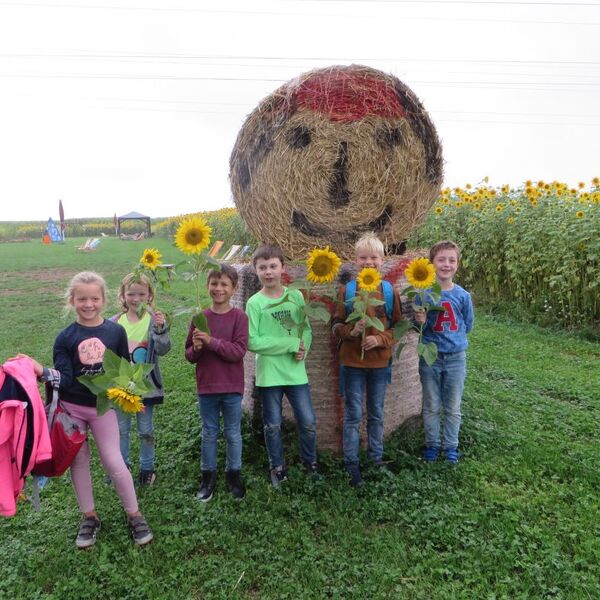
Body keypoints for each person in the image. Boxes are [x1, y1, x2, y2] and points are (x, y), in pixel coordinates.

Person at [26, 272, 153, 548]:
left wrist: (131, 391)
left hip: (103, 408)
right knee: (79, 460)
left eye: (94, 298)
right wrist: (43, 372)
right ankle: (89, 516)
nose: (88, 304)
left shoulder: (114, 332)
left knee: (113, 459)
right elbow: (66, 377)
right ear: (72, 300)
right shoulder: (65, 338)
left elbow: (122, 368)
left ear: (104, 300)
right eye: (82, 298)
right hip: (72, 410)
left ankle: (134, 514)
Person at [331, 232, 402, 487]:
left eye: (374, 257)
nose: (368, 262)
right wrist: (352, 332)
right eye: (363, 258)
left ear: (383, 260)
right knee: (352, 414)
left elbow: (399, 327)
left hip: (379, 365)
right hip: (352, 364)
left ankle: (376, 458)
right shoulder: (347, 291)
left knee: (376, 413)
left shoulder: (388, 291)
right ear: (355, 261)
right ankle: (351, 462)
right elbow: (335, 325)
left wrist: (379, 339)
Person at [245, 244, 318, 487]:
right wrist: (289, 344)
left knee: (307, 421)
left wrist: (303, 348)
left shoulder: (295, 296)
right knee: (273, 424)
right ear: (255, 270)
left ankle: (310, 463)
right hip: (269, 375)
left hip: (296, 372)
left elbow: (305, 330)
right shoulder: (255, 303)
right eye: (262, 267)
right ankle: (277, 467)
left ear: (282, 268)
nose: (268, 272)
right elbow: (252, 342)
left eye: (273, 266)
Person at [184, 264, 248, 501]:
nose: (218, 288)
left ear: (234, 289)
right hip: (207, 386)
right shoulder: (199, 318)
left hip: (231, 387)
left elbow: (237, 352)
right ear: (207, 285)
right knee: (209, 432)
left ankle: (234, 475)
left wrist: (210, 342)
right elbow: (189, 355)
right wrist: (197, 348)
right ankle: (207, 477)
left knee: (233, 433)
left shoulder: (239, 318)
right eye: (214, 283)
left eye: (224, 284)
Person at [414, 240, 474, 464]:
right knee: (431, 404)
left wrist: (453, 341)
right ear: (432, 264)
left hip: (456, 358)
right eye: (441, 260)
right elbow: (417, 329)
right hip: (431, 357)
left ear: (457, 264)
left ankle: (450, 446)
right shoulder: (423, 295)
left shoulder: (463, 296)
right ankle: (432, 444)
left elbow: (467, 324)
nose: (446, 264)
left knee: (452, 405)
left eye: (452, 260)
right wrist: (418, 320)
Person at [111, 272, 171, 486]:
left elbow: (164, 349)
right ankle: (121, 467)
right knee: (121, 430)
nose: (136, 299)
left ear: (149, 295)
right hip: (121, 388)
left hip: (146, 387)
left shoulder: (153, 321)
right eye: (131, 294)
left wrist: (160, 329)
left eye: (141, 294)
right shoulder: (114, 323)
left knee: (146, 430)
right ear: (123, 295)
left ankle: (147, 468)